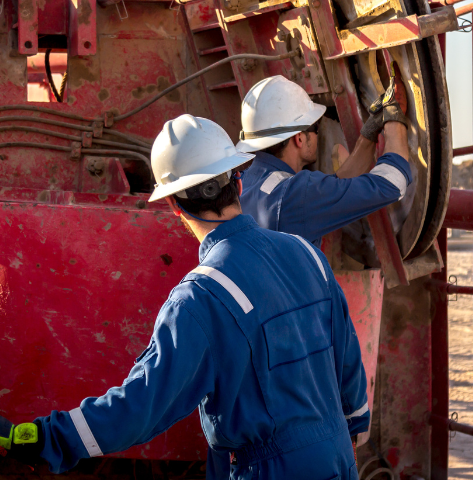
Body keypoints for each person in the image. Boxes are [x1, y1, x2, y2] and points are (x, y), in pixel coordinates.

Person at [0, 115, 369, 479]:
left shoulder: (199, 298)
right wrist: (354, 424)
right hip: (339, 457)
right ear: (238, 184)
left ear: (174, 206)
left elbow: (141, 404)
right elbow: (347, 356)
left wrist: (47, 437)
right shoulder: (306, 253)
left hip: (272, 469)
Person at [236, 75, 412, 248]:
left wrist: (370, 132)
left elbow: (336, 188)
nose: (317, 134)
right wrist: (393, 116)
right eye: (315, 127)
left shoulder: (244, 183)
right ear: (299, 138)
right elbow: (393, 183)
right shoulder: (296, 194)